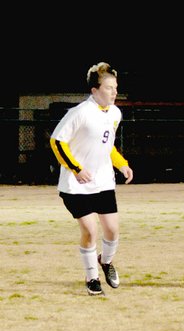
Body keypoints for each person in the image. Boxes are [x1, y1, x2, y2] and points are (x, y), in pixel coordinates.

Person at [50, 62, 133, 296]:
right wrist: (76, 168)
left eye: (115, 87)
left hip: (104, 182)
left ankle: (105, 263)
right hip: (76, 185)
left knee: (113, 231)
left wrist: (122, 164)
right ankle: (92, 278)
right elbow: (57, 141)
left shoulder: (115, 113)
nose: (114, 91)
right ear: (95, 91)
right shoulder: (80, 113)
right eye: (108, 87)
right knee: (90, 231)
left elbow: (107, 146)